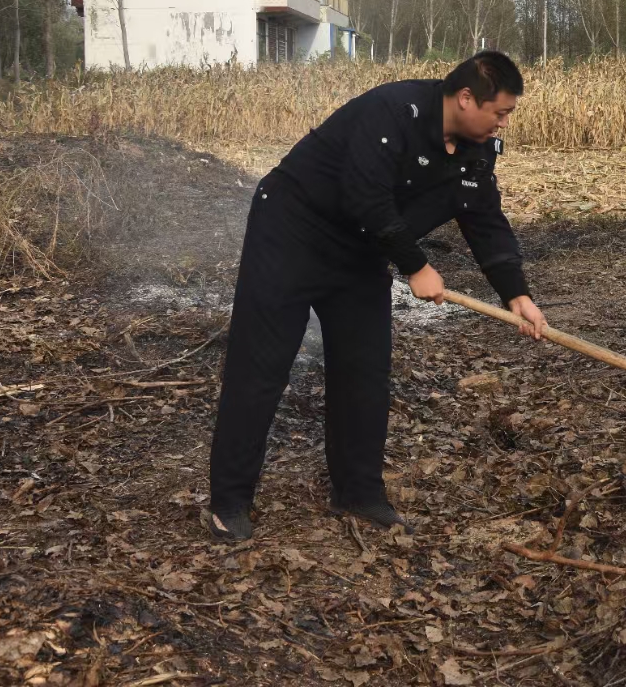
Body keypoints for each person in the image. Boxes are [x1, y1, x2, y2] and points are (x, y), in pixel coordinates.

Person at [207, 51, 547, 542]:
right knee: (261, 366)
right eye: (501, 111)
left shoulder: (477, 149)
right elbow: (365, 196)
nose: (504, 122)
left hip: (361, 248)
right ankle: (229, 502)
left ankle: (358, 492)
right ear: (467, 97)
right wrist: (417, 266)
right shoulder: (391, 111)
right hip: (292, 230)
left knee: (364, 370)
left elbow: (485, 218)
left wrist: (516, 294)